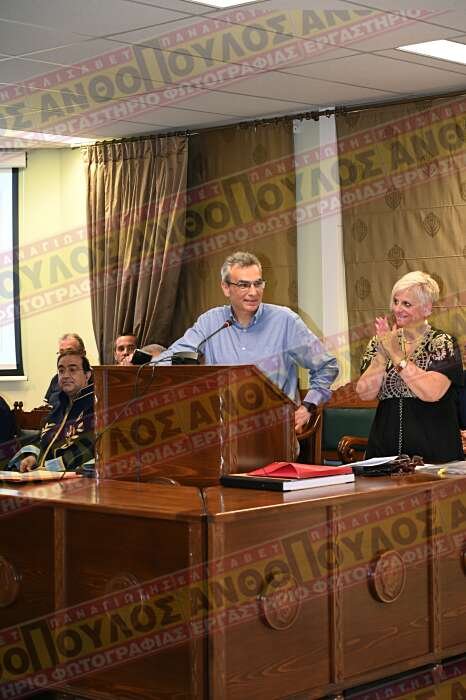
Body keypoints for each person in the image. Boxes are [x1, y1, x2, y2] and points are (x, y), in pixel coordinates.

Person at [163, 251, 338, 433]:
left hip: (273, 431)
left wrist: (307, 407)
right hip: (221, 431)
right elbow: (170, 358)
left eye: (258, 283)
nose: (253, 292)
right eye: (244, 285)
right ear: (226, 288)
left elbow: (327, 366)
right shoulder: (210, 322)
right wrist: (145, 364)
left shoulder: (285, 321)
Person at [356, 271, 463, 463]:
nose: (397, 309)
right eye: (396, 301)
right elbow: (365, 393)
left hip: (434, 453)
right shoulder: (380, 342)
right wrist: (382, 353)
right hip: (384, 453)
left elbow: (432, 392)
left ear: (427, 308)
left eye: (407, 304)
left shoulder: (442, 343)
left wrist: (395, 354)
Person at [11, 350, 94, 473]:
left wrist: (46, 467)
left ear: (87, 375)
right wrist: (32, 457)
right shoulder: (57, 408)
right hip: (44, 476)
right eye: (61, 371)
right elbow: (42, 441)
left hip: (77, 479)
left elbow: (89, 450)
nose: (65, 375)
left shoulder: (95, 406)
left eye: (72, 370)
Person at [44, 333, 86, 408]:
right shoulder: (56, 379)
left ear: (82, 354)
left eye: (70, 352)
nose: (65, 357)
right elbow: (46, 406)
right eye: (62, 353)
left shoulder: (95, 380)